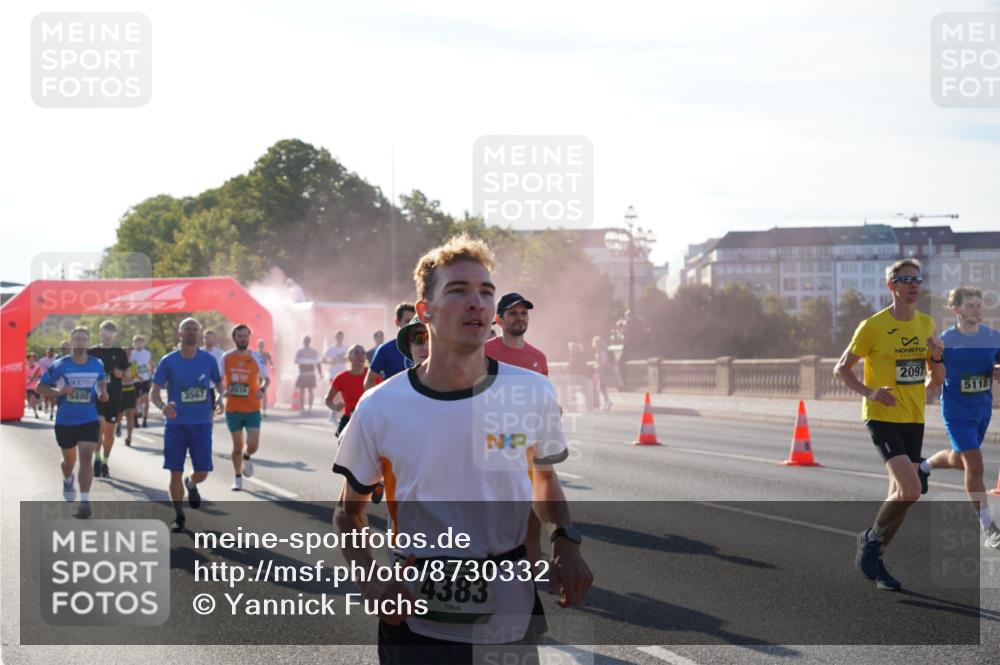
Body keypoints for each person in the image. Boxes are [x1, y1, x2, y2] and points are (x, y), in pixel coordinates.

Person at [333, 235, 592, 662]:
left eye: (485, 292)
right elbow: (349, 511)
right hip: (413, 623)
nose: (477, 303)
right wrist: (370, 579)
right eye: (458, 291)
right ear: (424, 311)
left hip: (510, 617)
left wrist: (565, 539)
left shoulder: (532, 392)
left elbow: (544, 481)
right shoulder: (380, 405)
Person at [834, 259, 944, 591]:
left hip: (913, 417)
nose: (913, 284)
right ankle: (871, 539)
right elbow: (841, 369)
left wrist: (936, 359)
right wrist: (870, 392)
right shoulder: (872, 326)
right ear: (891, 286)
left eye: (917, 279)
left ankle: (877, 558)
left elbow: (937, 380)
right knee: (910, 490)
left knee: (900, 494)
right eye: (905, 279)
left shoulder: (926, 324)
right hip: (881, 416)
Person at [921, 286, 1000, 549]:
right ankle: (988, 527)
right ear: (955, 310)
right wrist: (924, 389)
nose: (976, 310)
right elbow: (933, 375)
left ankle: (923, 467)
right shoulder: (945, 341)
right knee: (975, 465)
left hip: (982, 410)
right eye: (970, 305)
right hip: (956, 412)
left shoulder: (992, 337)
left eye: (978, 305)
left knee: (960, 460)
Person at [150, 317, 223, 532]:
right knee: (174, 471)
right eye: (187, 329)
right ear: (180, 334)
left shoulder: (208, 360)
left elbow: (219, 384)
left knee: (202, 471)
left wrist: (220, 397)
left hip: (201, 424)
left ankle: (191, 483)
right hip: (176, 425)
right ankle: (179, 516)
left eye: (195, 329)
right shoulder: (168, 361)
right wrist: (162, 405)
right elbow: (154, 392)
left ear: (199, 334)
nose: (191, 332)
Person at [36, 326, 109, 519]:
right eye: (77, 339)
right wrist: (59, 392)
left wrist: (102, 392)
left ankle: (84, 501)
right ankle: (67, 478)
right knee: (69, 462)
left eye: (84, 339)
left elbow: (101, 380)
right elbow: (40, 387)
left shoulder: (97, 363)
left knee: (86, 457)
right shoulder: (59, 365)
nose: (81, 342)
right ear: (71, 341)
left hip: (88, 419)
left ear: (89, 342)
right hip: (65, 421)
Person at [222, 324, 270, 491]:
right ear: (234, 338)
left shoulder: (256, 357)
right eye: (239, 336)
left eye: (245, 336)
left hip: (252, 408)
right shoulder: (226, 357)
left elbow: (266, 378)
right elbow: (217, 379)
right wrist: (222, 391)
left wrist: (262, 389)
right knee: (236, 446)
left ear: (249, 338)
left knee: (253, 445)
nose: (242, 339)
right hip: (233, 409)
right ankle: (237, 478)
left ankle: (247, 455)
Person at [89, 320, 129, 479]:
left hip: (114, 395)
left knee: (109, 432)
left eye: (110, 333)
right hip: (97, 396)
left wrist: (121, 374)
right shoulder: (93, 352)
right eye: (105, 333)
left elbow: (127, 374)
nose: (107, 336)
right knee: (99, 427)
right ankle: (97, 458)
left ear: (115, 335)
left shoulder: (119, 352)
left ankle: (105, 461)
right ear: (100, 333)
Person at [485, 293, 549, 375]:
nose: (520, 318)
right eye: (513, 313)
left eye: (524, 313)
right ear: (498, 319)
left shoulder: (539, 358)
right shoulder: (482, 353)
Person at [364, 303, 416, 390]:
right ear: (397, 322)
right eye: (407, 321)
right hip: (395, 402)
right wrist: (384, 400)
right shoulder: (385, 349)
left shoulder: (426, 348)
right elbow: (368, 383)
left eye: (414, 321)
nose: (411, 325)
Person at [325, 344, 368, 437]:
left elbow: (384, 396)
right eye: (356, 353)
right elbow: (328, 399)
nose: (360, 355)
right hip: (349, 417)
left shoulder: (372, 376)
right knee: (341, 441)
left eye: (363, 353)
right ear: (349, 358)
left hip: (368, 418)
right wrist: (335, 407)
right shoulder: (341, 377)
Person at [294, 336, 323, 415]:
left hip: (310, 374)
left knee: (310, 391)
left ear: (309, 342)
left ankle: (310, 408)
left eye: (307, 341)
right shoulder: (300, 351)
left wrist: (320, 373)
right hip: (302, 373)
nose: (306, 342)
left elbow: (318, 363)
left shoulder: (314, 351)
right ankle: (302, 409)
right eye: (305, 341)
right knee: (302, 392)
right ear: (303, 342)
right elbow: (296, 361)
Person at [131, 335, 154, 428]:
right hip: (136, 380)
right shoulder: (132, 354)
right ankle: (135, 419)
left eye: (141, 342)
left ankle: (145, 420)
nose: (139, 344)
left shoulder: (147, 353)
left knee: (146, 399)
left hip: (146, 379)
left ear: (144, 343)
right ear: (134, 343)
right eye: (137, 342)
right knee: (137, 400)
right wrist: (136, 376)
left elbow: (150, 365)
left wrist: (151, 376)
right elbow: (132, 367)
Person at [118, 348, 139, 446]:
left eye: (129, 353)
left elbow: (134, 377)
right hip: (120, 391)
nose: (128, 355)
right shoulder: (117, 364)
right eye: (125, 353)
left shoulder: (133, 364)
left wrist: (130, 376)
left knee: (130, 415)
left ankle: (129, 436)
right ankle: (118, 425)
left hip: (130, 390)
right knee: (119, 414)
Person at [567, 342, 595, 412]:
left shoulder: (573, 354)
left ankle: (572, 407)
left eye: (570, 347)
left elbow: (573, 364)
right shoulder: (582, 354)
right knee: (585, 391)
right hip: (583, 375)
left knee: (573, 391)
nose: (570, 348)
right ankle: (589, 407)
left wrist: (567, 367)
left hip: (575, 375)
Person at [592, 337, 618, 410]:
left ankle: (607, 401)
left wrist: (597, 366)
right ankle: (607, 401)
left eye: (594, 343)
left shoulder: (602, 351)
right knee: (602, 387)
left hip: (602, 372)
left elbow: (603, 361)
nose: (593, 345)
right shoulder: (600, 350)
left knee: (602, 387)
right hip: (600, 371)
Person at [256, 339, 275, 417]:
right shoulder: (255, 354)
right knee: (257, 391)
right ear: (258, 346)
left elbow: (271, 362)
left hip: (264, 374)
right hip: (256, 374)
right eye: (260, 345)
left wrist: (272, 367)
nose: (261, 347)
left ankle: (264, 409)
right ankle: (257, 408)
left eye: (262, 345)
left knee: (264, 392)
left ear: (264, 346)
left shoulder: (266, 354)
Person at [36, 348, 56, 417]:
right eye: (49, 352)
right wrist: (36, 376)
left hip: (53, 380)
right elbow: (37, 368)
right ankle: (46, 406)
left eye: (52, 352)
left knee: (52, 397)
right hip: (44, 380)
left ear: (53, 353)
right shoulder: (42, 360)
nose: (50, 353)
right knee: (46, 397)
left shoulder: (56, 360)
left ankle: (52, 412)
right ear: (47, 352)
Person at [25, 352, 42, 418]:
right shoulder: (25, 368)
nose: (32, 360)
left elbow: (41, 376)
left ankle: (39, 403)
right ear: (28, 359)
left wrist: (36, 378)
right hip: (29, 386)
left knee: (37, 400)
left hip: (36, 386)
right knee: (32, 399)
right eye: (30, 358)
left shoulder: (38, 367)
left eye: (33, 358)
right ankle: (35, 413)